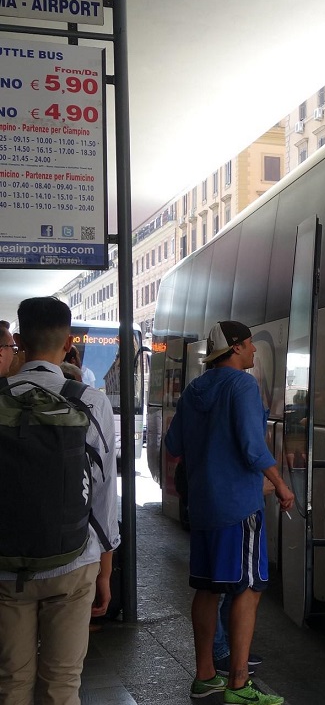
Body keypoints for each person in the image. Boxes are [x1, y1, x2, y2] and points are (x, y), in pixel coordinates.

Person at [165, 320, 294, 704]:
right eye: (251, 344)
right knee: (249, 589)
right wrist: (282, 486)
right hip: (239, 507)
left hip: (203, 506)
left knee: (207, 589)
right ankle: (239, 684)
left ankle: (205, 676)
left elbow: (174, 444)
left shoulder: (194, 389)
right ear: (235, 348)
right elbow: (254, 449)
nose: (255, 351)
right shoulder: (242, 385)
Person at [0, 297, 120, 705]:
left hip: (6, 566)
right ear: (69, 343)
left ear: (19, 341)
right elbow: (104, 499)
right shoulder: (90, 400)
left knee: (11, 681)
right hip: (73, 561)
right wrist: (105, 572)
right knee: (63, 682)